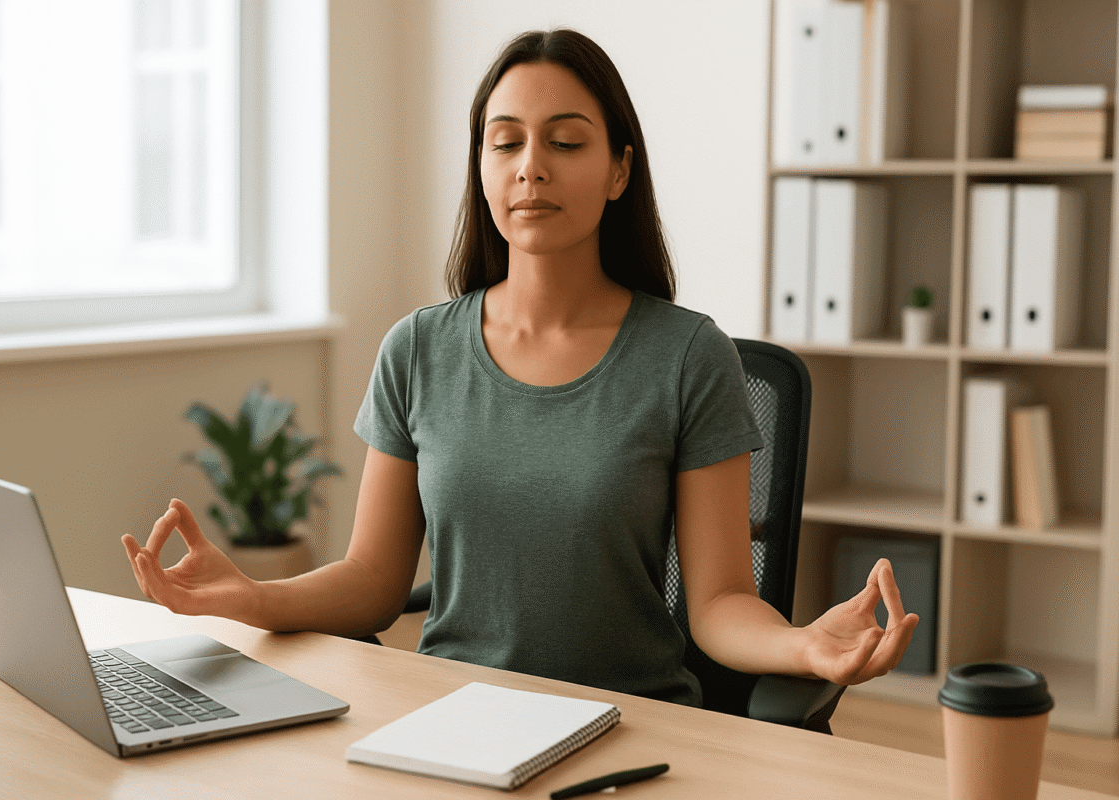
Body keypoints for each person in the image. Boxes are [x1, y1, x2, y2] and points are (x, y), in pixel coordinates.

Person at [123, 28, 917, 707]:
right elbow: (372, 578)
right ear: (482, 168)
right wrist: (254, 596)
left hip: (631, 723)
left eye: (566, 142)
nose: (530, 166)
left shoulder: (686, 356)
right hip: (449, 721)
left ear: (618, 171)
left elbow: (714, 604)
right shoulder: (417, 350)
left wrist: (805, 647)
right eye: (505, 142)